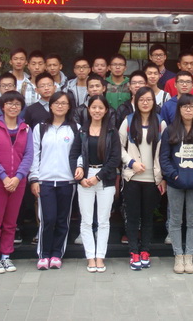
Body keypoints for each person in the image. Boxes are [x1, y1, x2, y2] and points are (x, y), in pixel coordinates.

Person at [160, 93, 193, 274]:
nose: (188, 109)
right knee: (175, 220)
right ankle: (178, 255)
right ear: (179, 109)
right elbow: (164, 157)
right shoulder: (170, 131)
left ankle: (189, 256)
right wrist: (173, 175)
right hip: (175, 183)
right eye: (185, 106)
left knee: (192, 221)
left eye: (192, 106)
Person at [0, 90, 33, 273]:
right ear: (3, 106)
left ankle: (6, 255)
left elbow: (28, 155)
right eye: (9, 103)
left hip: (18, 182)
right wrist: (4, 177)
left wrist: (18, 177)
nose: (13, 107)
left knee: (11, 222)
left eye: (17, 104)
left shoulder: (26, 129)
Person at [70, 95, 121, 273]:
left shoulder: (112, 132)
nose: (97, 111)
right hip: (85, 178)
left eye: (100, 108)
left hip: (105, 178)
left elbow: (115, 159)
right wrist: (79, 175)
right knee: (86, 220)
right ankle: (90, 256)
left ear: (106, 110)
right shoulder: (82, 131)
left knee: (103, 221)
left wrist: (98, 177)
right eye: (94, 107)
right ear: (88, 109)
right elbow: (73, 154)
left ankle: (100, 256)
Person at [29, 91, 78, 270]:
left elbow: (79, 153)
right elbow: (34, 154)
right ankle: (44, 254)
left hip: (67, 181)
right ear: (50, 106)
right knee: (48, 219)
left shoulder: (75, 128)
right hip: (45, 181)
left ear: (69, 106)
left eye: (64, 103)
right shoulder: (41, 127)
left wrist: (78, 170)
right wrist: (34, 178)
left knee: (62, 220)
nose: (60, 106)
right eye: (56, 103)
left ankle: (57, 254)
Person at [120, 86, 167, 271]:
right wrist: (131, 162)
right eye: (141, 100)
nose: (145, 103)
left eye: (149, 99)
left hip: (152, 179)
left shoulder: (161, 123)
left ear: (154, 102)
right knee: (132, 217)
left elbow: (164, 152)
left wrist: (162, 177)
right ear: (135, 101)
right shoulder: (128, 121)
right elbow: (118, 146)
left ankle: (146, 250)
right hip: (132, 177)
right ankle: (134, 252)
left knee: (148, 217)